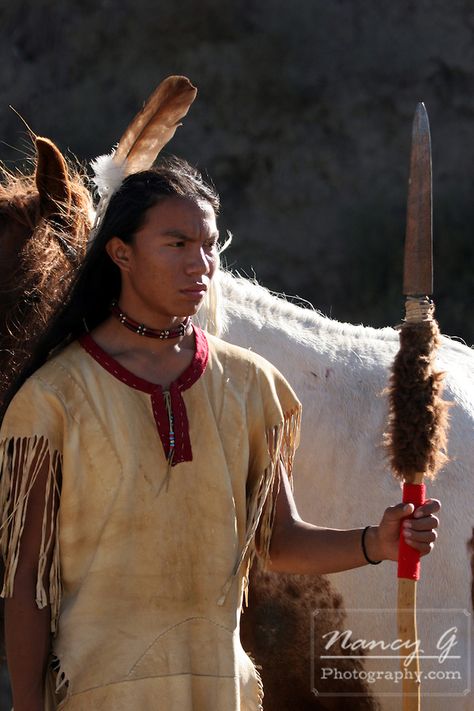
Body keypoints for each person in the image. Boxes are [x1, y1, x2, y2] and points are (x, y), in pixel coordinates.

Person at [0, 158, 440, 711]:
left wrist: (374, 543)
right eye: (177, 244)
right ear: (120, 253)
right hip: (99, 695)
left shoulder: (252, 385)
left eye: (208, 246)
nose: (200, 265)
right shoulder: (52, 399)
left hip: (222, 694)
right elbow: (26, 583)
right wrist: (25, 704)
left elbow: (275, 540)